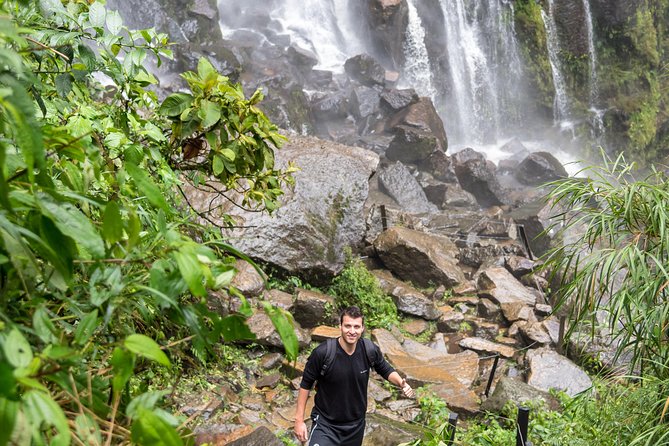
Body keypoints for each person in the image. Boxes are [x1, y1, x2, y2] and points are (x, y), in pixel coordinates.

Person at [293, 306, 415, 446]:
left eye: (356, 327)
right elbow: (306, 384)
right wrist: (299, 421)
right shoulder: (323, 353)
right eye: (348, 326)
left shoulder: (369, 350)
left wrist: (401, 382)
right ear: (340, 326)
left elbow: (385, 369)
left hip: (354, 427)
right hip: (326, 425)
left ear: (362, 328)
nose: (352, 331)